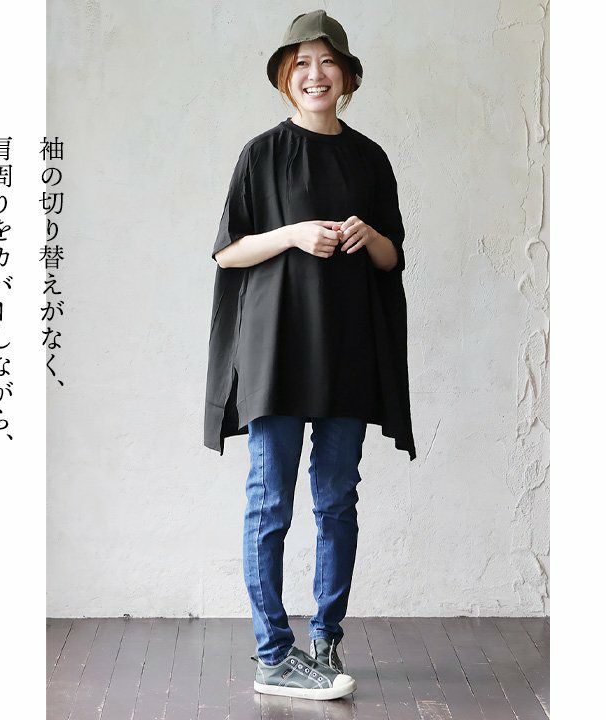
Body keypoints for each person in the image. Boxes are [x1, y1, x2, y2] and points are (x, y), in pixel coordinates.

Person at [204, 10, 417, 701]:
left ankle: (324, 638)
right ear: (284, 78)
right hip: (278, 350)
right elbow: (229, 251)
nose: (314, 74)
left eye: (327, 62)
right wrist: (293, 233)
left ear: (347, 76)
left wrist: (368, 235)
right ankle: (273, 652)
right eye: (301, 64)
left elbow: (392, 257)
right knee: (270, 502)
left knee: (336, 501)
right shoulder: (261, 154)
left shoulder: (370, 158)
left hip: (348, 349)